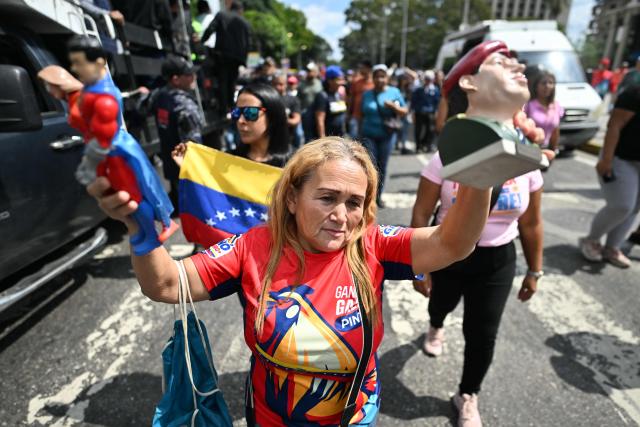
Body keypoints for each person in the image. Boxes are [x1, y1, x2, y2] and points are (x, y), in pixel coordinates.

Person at [87, 132, 496, 426]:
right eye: (327, 197)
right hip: (269, 418)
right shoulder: (252, 246)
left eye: (355, 202)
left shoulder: (372, 244)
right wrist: (137, 226)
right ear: (292, 198)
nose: (342, 216)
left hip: (353, 416)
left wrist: (481, 175)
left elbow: (453, 242)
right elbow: (165, 285)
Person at [412, 40, 544, 427]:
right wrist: (420, 266)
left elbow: (532, 222)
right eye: (502, 61)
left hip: (497, 259)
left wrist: (535, 270)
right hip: (449, 253)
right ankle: (435, 326)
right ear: (469, 82)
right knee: (440, 306)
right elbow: (422, 210)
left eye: (514, 60)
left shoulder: (526, 159)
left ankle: (468, 394)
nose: (516, 65)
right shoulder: (446, 156)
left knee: (483, 332)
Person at [579, 84, 640, 268]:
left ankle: (612, 247)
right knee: (622, 205)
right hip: (621, 158)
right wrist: (606, 159)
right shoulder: (633, 94)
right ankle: (591, 240)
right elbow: (614, 125)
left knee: (634, 207)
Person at [139, 55, 204, 209]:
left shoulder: (158, 96)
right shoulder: (185, 104)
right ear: (176, 79)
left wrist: (143, 95)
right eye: (189, 75)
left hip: (171, 163)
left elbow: (142, 109)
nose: (193, 77)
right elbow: (194, 144)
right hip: (187, 169)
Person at [359, 64, 408, 207]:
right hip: (369, 134)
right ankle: (368, 196)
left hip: (387, 135)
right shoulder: (366, 94)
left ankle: (378, 196)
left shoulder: (394, 92)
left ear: (387, 78)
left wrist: (394, 107)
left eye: (383, 76)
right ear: (373, 78)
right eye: (377, 76)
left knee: (383, 166)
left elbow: (404, 111)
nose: (380, 79)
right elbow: (360, 115)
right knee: (370, 165)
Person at [201, 0, 251, 114]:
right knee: (232, 82)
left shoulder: (222, 15)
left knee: (222, 81)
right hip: (237, 58)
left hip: (223, 55)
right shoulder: (244, 22)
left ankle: (223, 108)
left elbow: (210, 29)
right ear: (240, 10)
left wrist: (202, 41)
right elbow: (248, 43)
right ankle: (231, 106)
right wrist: (244, 59)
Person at [524, 70, 564, 155]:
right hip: (529, 149)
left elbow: (555, 131)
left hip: (546, 151)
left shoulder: (556, 106)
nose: (547, 86)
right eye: (543, 83)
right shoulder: (529, 105)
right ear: (536, 86)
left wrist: (553, 150)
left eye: (550, 83)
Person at [310, 65, 347, 139]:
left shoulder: (339, 95)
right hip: (329, 140)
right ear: (330, 81)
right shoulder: (322, 96)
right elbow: (320, 120)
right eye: (338, 80)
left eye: (342, 79)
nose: (341, 82)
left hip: (340, 138)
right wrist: (323, 140)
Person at [411, 69, 441, 153]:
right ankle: (418, 146)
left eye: (429, 79)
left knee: (430, 130)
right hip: (419, 112)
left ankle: (426, 144)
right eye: (426, 79)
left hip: (430, 113)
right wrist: (413, 112)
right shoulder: (418, 89)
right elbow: (414, 101)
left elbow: (437, 102)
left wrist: (436, 112)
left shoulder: (435, 90)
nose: (427, 81)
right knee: (418, 130)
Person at [272, 72, 302, 149]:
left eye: (281, 84)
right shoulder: (268, 99)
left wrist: (283, 120)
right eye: (275, 84)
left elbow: (296, 120)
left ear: (286, 84)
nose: (277, 87)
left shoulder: (293, 100)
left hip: (287, 140)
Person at [347, 60, 374, 139]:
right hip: (356, 116)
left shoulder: (374, 84)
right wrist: (348, 114)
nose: (360, 70)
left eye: (362, 68)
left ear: (369, 69)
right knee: (354, 140)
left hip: (369, 118)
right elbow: (351, 99)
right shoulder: (356, 83)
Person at [298, 62, 324, 140]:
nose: (310, 73)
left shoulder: (320, 84)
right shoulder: (301, 84)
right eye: (308, 71)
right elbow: (298, 99)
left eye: (311, 71)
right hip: (305, 114)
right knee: (308, 136)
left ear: (316, 72)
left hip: (318, 113)